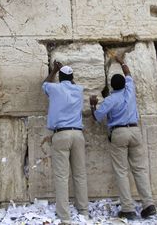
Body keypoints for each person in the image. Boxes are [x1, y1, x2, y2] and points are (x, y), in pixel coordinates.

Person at [89, 54, 157, 220]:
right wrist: (121, 61)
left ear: (111, 86)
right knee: (139, 169)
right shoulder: (129, 91)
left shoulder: (110, 100)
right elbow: (128, 74)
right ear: (124, 85)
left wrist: (92, 104)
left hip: (119, 133)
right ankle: (149, 204)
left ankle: (128, 208)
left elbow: (97, 117)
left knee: (121, 171)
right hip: (135, 131)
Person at [42, 62, 89, 224]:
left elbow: (45, 84)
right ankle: (84, 210)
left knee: (62, 176)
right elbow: (72, 84)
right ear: (72, 78)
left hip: (61, 134)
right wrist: (67, 75)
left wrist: (54, 70)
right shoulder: (79, 89)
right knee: (80, 174)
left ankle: (65, 217)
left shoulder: (54, 88)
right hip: (77, 134)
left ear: (60, 78)